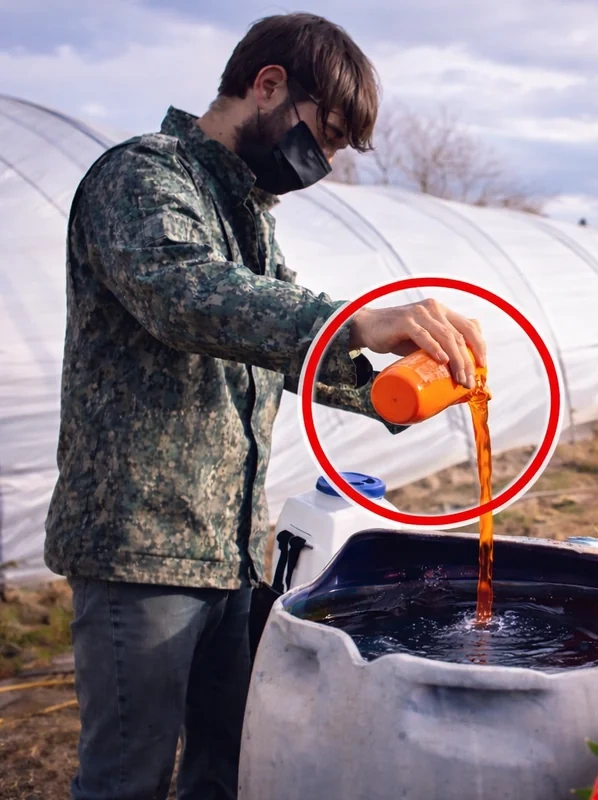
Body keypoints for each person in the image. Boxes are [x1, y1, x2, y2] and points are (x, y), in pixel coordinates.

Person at [43, 13, 487, 800]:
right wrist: (356, 318)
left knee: (230, 766)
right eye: (324, 137)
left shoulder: (248, 216)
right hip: (141, 551)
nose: (320, 164)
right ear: (269, 84)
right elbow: (186, 296)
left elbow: (285, 342)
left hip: (231, 549)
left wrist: (404, 389)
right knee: (127, 779)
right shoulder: (145, 177)